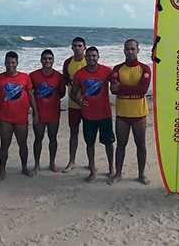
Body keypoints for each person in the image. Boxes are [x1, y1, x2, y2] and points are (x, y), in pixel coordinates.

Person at [0, 51, 39, 182]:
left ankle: (24, 167)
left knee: (23, 144)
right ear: (4, 63)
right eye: (8, 63)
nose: (10, 65)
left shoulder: (25, 78)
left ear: (17, 63)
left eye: (13, 63)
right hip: (4, 118)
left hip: (21, 117)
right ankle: (2, 170)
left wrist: (36, 112)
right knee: (4, 145)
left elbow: (31, 95)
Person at [108, 39, 151, 186]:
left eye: (133, 49)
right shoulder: (117, 69)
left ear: (138, 50)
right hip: (122, 114)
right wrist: (129, 88)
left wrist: (123, 87)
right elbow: (114, 89)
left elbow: (143, 90)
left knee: (141, 145)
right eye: (127, 49)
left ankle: (141, 174)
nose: (130, 51)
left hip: (139, 113)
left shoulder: (145, 69)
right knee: (121, 145)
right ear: (124, 51)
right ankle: (118, 174)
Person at [70, 46, 115, 182]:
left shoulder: (107, 71)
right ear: (86, 57)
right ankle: (92, 170)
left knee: (109, 143)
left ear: (98, 57)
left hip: (105, 114)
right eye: (89, 56)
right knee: (90, 143)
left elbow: (115, 86)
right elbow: (73, 93)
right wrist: (78, 100)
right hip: (88, 115)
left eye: (94, 56)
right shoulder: (79, 74)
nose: (91, 58)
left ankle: (111, 168)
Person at [30, 49, 66, 174]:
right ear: (41, 60)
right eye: (45, 58)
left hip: (53, 113)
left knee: (53, 138)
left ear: (53, 60)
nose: (47, 61)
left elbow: (61, 93)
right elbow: (30, 94)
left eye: (50, 58)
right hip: (38, 113)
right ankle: (36, 164)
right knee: (38, 138)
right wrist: (36, 111)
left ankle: (52, 162)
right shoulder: (33, 76)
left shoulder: (58, 77)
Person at [62, 37, 87, 173]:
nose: (77, 48)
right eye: (75, 46)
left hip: (88, 104)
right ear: (72, 48)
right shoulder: (68, 63)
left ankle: (91, 162)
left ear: (85, 48)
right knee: (73, 133)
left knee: (90, 134)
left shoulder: (88, 61)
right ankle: (71, 161)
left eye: (80, 46)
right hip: (73, 104)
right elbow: (66, 81)